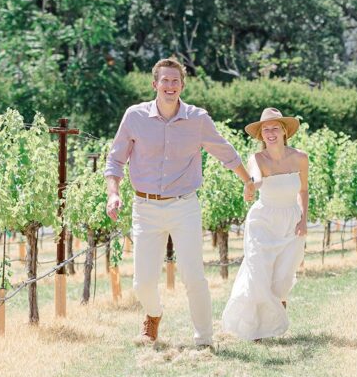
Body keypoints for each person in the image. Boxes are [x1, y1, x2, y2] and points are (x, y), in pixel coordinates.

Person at [105, 58, 255, 347]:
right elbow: (115, 159)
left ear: (182, 86)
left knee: (193, 275)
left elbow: (225, 151)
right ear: (155, 84)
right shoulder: (134, 117)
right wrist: (113, 193)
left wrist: (247, 179)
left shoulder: (197, 119)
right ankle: (153, 314)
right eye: (165, 80)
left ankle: (204, 339)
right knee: (143, 282)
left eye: (175, 81)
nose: (170, 86)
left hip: (184, 205)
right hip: (145, 208)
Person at [221, 108, 308, 341]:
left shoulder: (300, 157)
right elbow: (257, 180)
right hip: (263, 220)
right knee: (258, 272)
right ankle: (253, 328)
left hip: (290, 220)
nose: (270, 132)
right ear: (261, 135)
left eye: (274, 128)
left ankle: (273, 318)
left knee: (281, 277)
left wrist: (303, 220)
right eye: (265, 129)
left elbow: (303, 190)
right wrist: (250, 187)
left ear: (284, 131)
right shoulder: (257, 159)